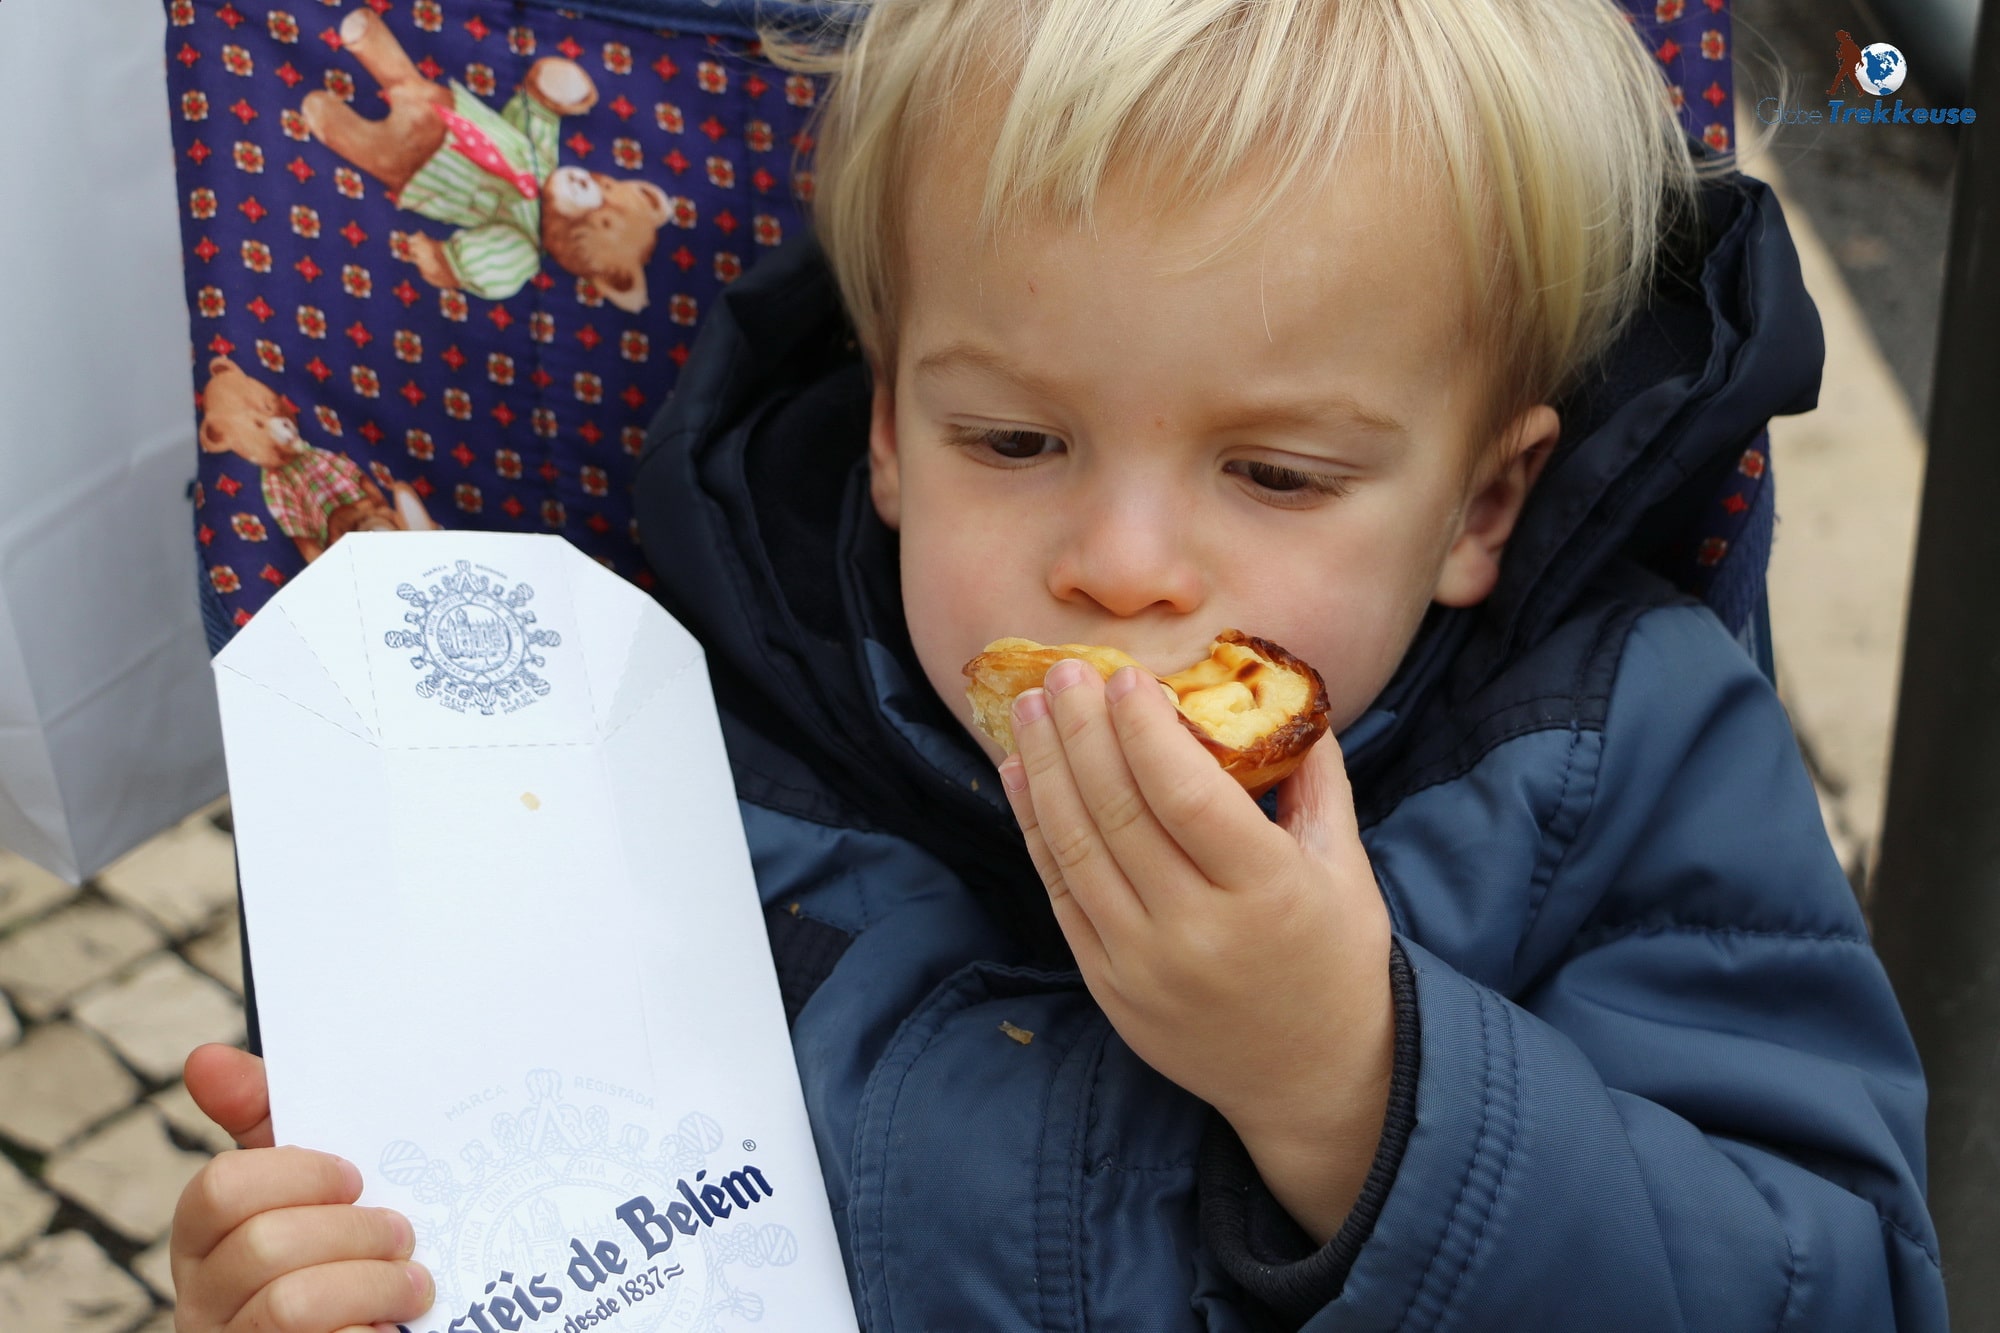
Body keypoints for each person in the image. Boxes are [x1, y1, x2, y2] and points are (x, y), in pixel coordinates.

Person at [169, 0, 1948, 1328]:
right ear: (886, 429)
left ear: (1485, 499)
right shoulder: (653, 777)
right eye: (1012, 441)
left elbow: (1839, 1284)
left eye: (1275, 473)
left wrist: (1352, 1080)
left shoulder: (1616, 759)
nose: (1116, 563)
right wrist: (352, 1270)